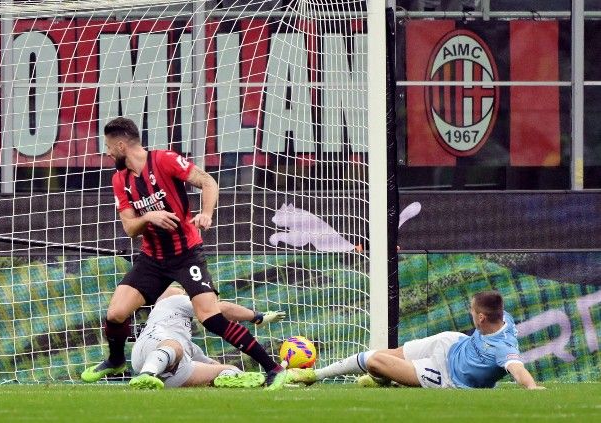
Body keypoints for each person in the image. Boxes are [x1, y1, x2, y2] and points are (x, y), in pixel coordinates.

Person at [81, 117, 288, 390]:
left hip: (186, 254)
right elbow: (131, 228)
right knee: (116, 314)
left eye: (108, 146)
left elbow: (208, 181)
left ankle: (273, 368)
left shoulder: (164, 160)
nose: (107, 152)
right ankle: (116, 360)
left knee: (211, 318)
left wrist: (206, 213)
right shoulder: (120, 180)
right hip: (152, 259)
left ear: (121, 145)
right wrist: (150, 217)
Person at [289, 291, 545, 390]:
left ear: (480, 317)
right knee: (383, 353)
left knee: (376, 362)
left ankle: (383, 378)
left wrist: (532, 389)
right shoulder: (504, 318)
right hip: (452, 344)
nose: (470, 313)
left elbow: (517, 368)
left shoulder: (503, 348)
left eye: (471, 311)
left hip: (447, 377)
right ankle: (316, 375)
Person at [126, 286, 285, 389]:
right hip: (158, 348)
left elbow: (207, 362)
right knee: (175, 347)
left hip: (154, 365)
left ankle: (228, 376)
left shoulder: (179, 330)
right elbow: (222, 308)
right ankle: (146, 375)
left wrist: (225, 369)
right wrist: (257, 316)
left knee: (228, 369)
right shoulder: (175, 300)